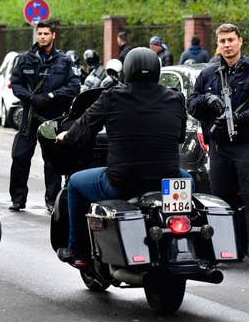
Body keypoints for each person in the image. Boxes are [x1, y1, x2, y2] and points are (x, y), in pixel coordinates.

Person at [54, 47, 188, 265]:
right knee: (188, 183)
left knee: (76, 184)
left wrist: (65, 137)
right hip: (167, 179)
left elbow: (81, 132)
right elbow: (180, 136)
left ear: (126, 70)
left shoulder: (112, 96)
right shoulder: (175, 98)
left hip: (123, 181)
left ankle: (78, 251)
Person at [186, 23, 249, 267]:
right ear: (218, 44)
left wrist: (240, 118)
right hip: (219, 146)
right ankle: (226, 249)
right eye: (223, 41)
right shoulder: (208, 74)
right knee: (221, 200)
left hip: (247, 143)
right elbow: (191, 104)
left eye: (231, 40)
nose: (227, 45)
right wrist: (207, 98)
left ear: (240, 41)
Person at [9, 20, 81, 213]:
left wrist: (50, 96)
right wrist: (31, 98)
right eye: (39, 33)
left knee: (52, 162)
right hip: (30, 114)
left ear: (53, 35)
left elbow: (74, 86)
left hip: (53, 115)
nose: (42, 37)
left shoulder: (64, 61)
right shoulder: (25, 59)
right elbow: (16, 84)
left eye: (45, 34)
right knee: (20, 156)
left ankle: (52, 201)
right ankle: (17, 199)